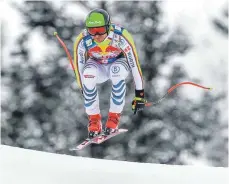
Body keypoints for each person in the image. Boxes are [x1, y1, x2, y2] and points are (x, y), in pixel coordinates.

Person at [74, 8, 147, 138]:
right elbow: (79, 67)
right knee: (88, 74)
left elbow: (134, 64)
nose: (96, 35)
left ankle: (113, 120)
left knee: (116, 73)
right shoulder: (83, 39)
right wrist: (82, 87)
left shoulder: (121, 36)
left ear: (108, 27)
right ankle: (94, 121)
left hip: (118, 63)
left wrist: (139, 94)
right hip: (98, 65)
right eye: (92, 30)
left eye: (100, 30)